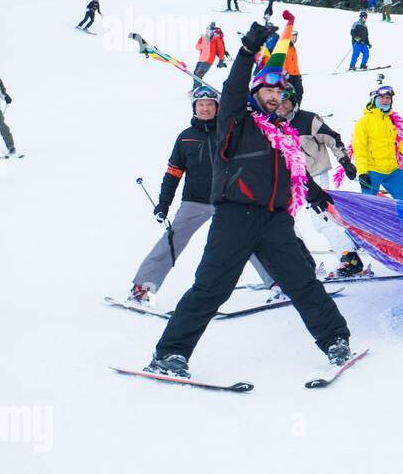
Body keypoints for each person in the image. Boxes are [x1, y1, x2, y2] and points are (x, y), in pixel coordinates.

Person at [145, 23, 352, 378]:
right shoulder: (236, 120)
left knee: (302, 281)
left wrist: (319, 198)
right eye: (267, 90)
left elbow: (297, 175)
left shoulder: (285, 135)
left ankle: (335, 340)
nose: (274, 96)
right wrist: (246, 51)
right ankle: (170, 353)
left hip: (275, 220)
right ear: (256, 92)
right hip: (234, 216)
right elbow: (233, 88)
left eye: (279, 92)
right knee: (212, 287)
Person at [127, 87, 277, 305]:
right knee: (172, 240)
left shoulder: (228, 132)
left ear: (217, 108)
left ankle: (277, 283)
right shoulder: (185, 138)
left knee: (248, 239)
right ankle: (142, 287)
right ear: (194, 108)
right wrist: (163, 204)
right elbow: (173, 173)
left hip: (229, 200)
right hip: (195, 201)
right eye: (201, 104)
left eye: (210, 104)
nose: (205, 108)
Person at [275, 95, 364, 279]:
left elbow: (332, 138)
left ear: (293, 102)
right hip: (291, 180)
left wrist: (345, 161)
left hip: (315, 175)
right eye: (278, 102)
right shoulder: (272, 124)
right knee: (282, 221)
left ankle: (350, 258)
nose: (282, 106)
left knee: (321, 219)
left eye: (286, 101)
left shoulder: (308, 119)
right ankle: (302, 264)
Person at [354, 85, 403, 200]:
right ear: (374, 100)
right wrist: (362, 172)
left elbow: (398, 142)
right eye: (381, 98)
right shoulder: (364, 122)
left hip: (393, 170)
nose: (385, 101)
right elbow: (359, 148)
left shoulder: (392, 119)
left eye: (388, 98)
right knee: (369, 204)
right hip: (372, 172)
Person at [193, 22, 227, 90]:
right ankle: (196, 89)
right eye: (207, 30)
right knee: (195, 73)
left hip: (209, 59)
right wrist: (203, 44)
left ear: (213, 31)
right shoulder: (203, 37)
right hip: (202, 58)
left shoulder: (216, 39)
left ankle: (196, 90)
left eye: (210, 30)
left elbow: (221, 50)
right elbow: (197, 47)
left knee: (198, 74)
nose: (208, 32)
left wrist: (221, 60)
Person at [285, 30, 303, 106]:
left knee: (299, 92)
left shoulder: (293, 48)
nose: (294, 38)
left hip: (295, 75)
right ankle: (286, 111)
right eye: (292, 36)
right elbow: (282, 60)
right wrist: (284, 72)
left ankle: (296, 109)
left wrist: (299, 74)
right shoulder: (285, 47)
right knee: (289, 94)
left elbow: (294, 63)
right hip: (288, 75)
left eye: (295, 37)